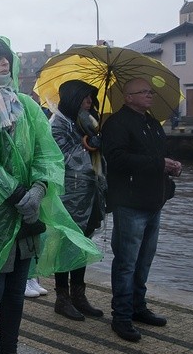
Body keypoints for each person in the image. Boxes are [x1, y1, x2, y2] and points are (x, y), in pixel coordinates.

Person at [0, 34, 101, 354]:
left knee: (16, 293)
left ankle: (10, 349)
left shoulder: (26, 106)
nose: (5, 62)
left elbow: (47, 153)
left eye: (7, 57)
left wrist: (40, 187)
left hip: (27, 216)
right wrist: (18, 194)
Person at [101, 77, 182, 342]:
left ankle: (138, 307)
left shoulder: (152, 124)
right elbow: (116, 159)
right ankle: (121, 316)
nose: (150, 95)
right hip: (130, 204)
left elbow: (157, 158)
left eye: (151, 92)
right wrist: (158, 163)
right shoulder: (116, 124)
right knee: (126, 262)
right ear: (128, 97)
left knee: (144, 261)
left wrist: (170, 168)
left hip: (154, 201)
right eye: (144, 92)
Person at [50, 80, 107, 321]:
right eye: (85, 98)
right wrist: (88, 146)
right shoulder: (57, 125)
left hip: (89, 193)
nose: (89, 102)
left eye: (91, 99)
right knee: (66, 244)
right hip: (69, 196)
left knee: (82, 244)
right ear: (73, 98)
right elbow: (62, 157)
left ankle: (79, 295)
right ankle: (62, 299)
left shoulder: (86, 122)